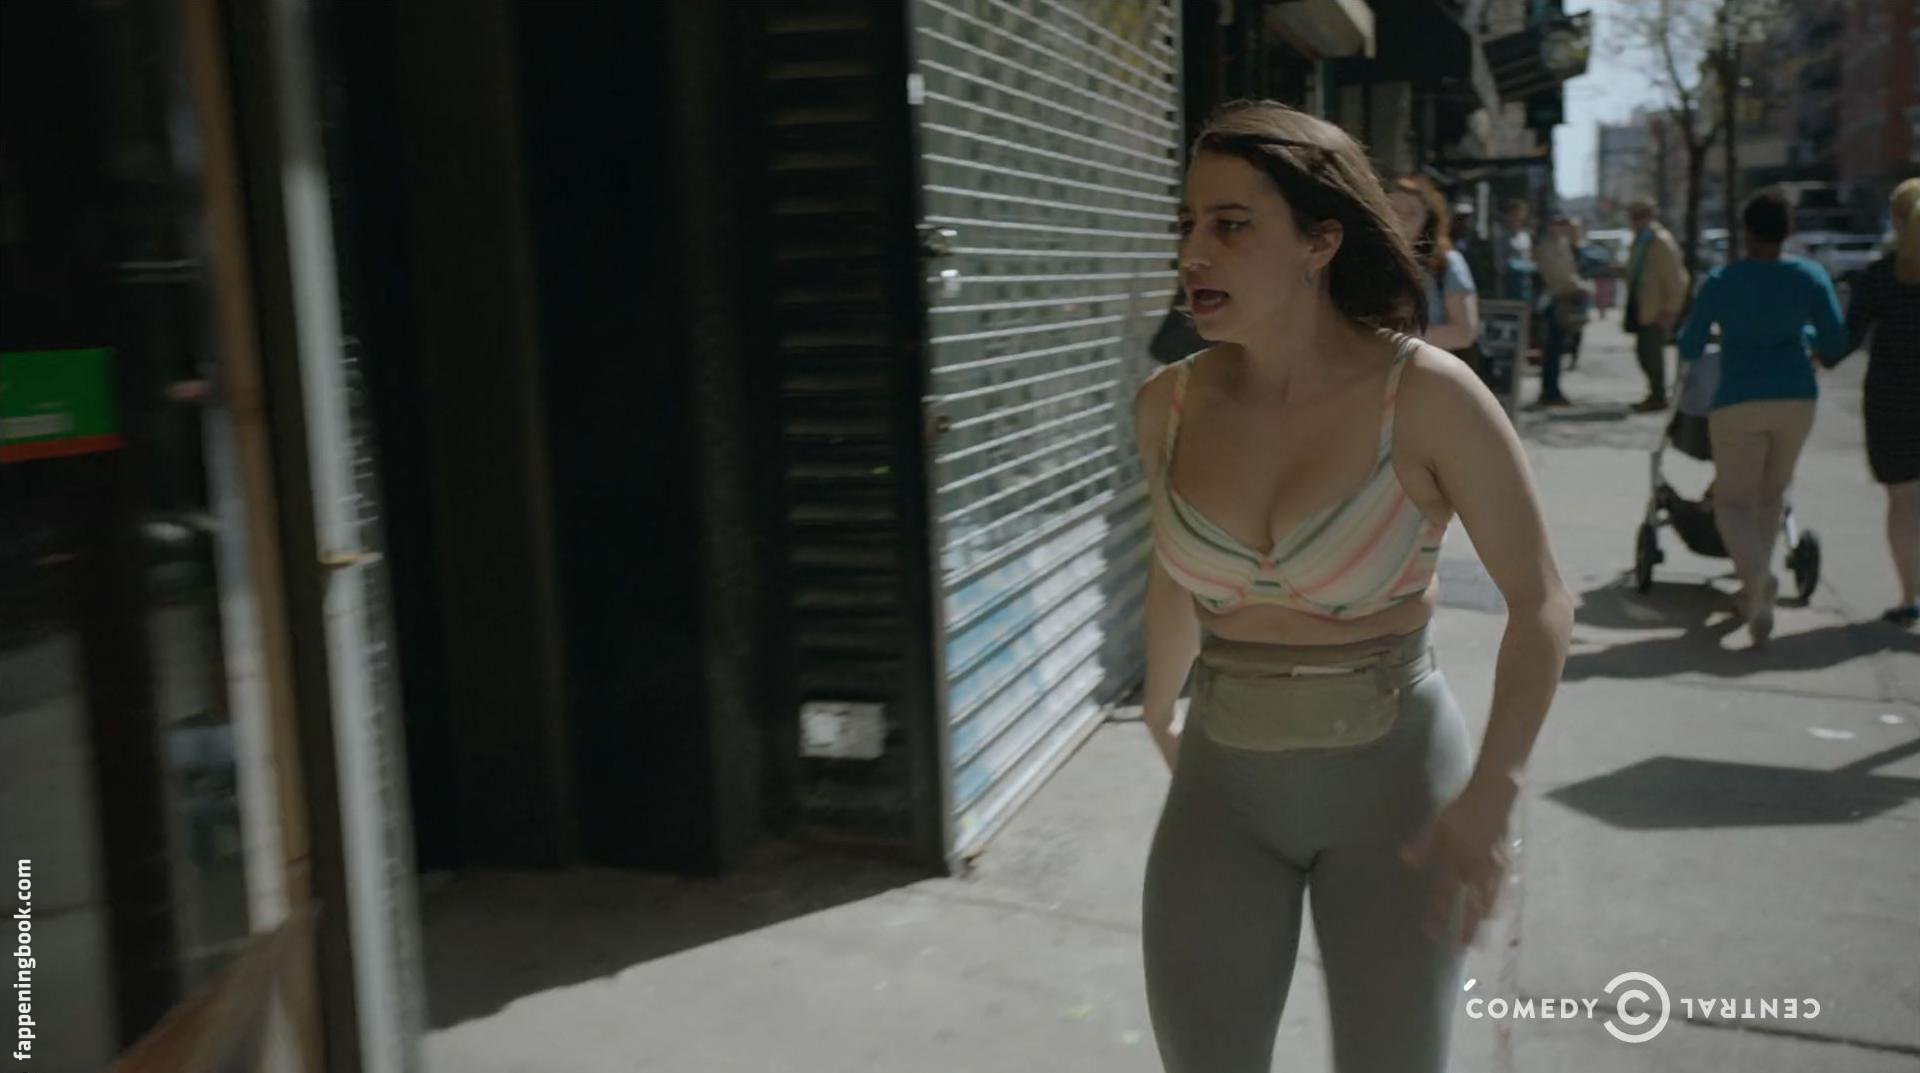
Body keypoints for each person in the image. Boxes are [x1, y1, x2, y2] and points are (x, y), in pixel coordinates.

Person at [1137, 100, 1573, 1073]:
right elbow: (1175, 566)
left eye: (1231, 224)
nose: (1194, 252)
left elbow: (1543, 601)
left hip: (1397, 791)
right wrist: (1160, 703)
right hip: (1221, 782)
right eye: (1189, 223)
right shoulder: (1168, 404)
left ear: (1320, 242)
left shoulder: (1428, 396)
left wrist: (1493, 791)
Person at [1676, 190, 1846, 647]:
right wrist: (1801, 334)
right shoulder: (1810, 276)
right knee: (1772, 496)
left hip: (1739, 398)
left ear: (1747, 232)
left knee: (1732, 502)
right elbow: (1835, 340)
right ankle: (1756, 598)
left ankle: (1757, 581)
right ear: (1788, 232)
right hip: (1797, 397)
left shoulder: (1722, 280)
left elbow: (1690, 344)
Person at [1825, 178, 1920, 627]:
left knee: (1904, 501)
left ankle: (1909, 599)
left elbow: (1845, 340)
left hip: (1892, 400)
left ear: (1896, 221)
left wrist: (1812, 349)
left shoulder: (1880, 276)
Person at [1387, 174, 1482, 379]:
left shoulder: (1447, 264)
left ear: (1427, 219)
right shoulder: (1366, 260)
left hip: (1427, 377)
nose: (1401, 220)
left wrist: (1400, 339)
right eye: (1393, 210)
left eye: (1412, 213)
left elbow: (1464, 333)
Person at [1624, 200, 1690, 412]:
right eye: (1634, 216)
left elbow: (1676, 278)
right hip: (1642, 305)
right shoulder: (1640, 241)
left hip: (1657, 309)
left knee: (1651, 353)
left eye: (1641, 215)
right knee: (1644, 352)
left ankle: (1658, 395)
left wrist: (1671, 309)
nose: (1637, 221)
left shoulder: (1660, 241)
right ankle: (1655, 393)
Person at [1532, 213, 1587, 406]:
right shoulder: (1547, 246)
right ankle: (1550, 392)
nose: (1561, 227)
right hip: (1555, 300)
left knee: (1558, 349)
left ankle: (1552, 389)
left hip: (1565, 299)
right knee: (1552, 350)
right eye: (1558, 223)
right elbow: (1555, 274)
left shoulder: (1563, 244)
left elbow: (1573, 268)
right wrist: (1575, 286)